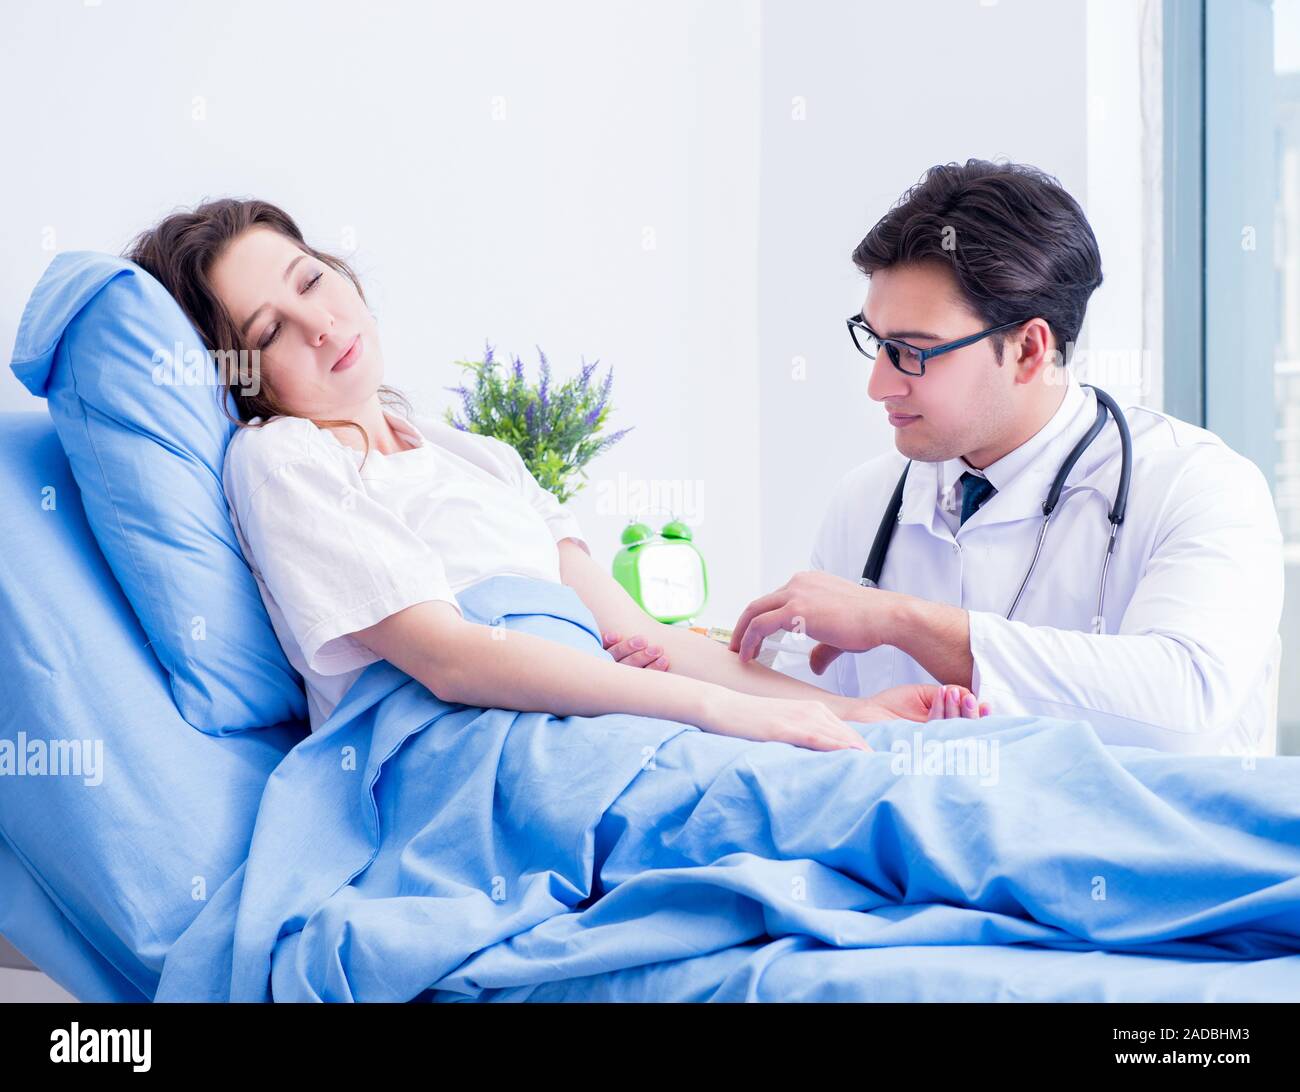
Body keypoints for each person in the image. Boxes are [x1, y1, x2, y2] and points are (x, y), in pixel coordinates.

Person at [123, 198, 990, 747]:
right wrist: (729, 718)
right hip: (477, 751)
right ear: (237, 373)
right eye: (268, 331)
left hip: (600, 721)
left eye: (312, 280)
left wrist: (854, 718)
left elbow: (650, 636)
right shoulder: (281, 459)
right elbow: (454, 662)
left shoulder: (469, 454)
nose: (318, 323)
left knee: (940, 776)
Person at [607, 159, 1283, 756]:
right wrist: (668, 672)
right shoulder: (868, 502)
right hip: (926, 882)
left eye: (914, 351)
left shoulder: (1198, 485)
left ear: (1028, 349)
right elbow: (815, 712)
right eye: (874, 342)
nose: (879, 384)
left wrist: (900, 620)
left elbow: (1184, 709)